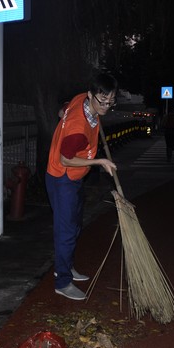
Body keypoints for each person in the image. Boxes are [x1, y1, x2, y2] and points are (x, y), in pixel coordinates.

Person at [45, 73, 118, 301]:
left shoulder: (81, 99)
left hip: (74, 178)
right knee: (66, 231)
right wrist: (99, 161)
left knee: (75, 225)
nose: (106, 106)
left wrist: (65, 116)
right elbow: (66, 159)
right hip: (62, 177)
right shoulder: (78, 129)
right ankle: (62, 282)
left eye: (110, 101)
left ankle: (65, 266)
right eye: (102, 101)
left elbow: (63, 109)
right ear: (90, 95)